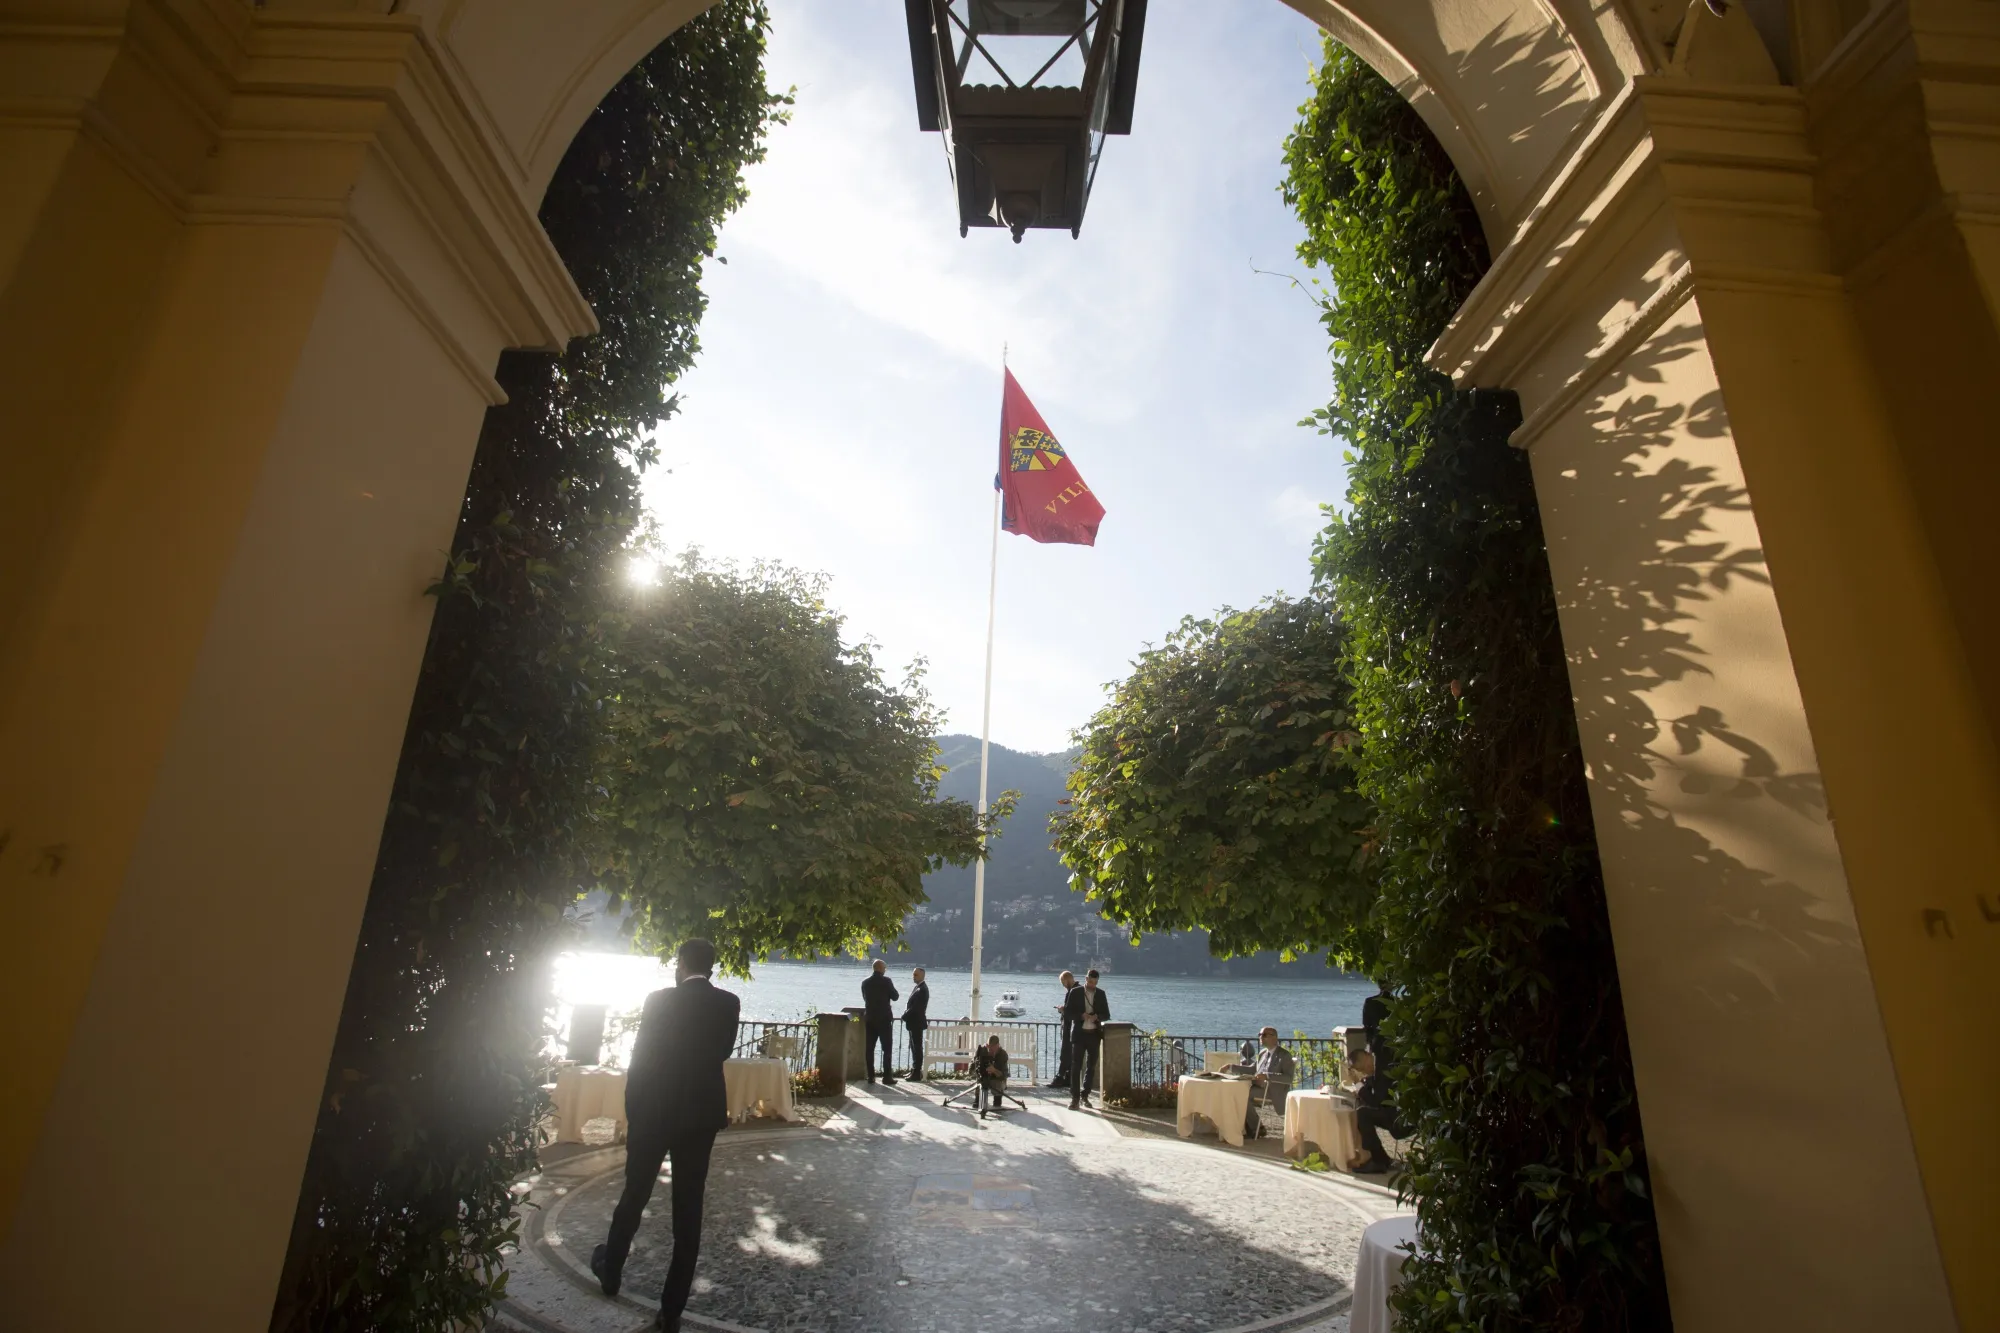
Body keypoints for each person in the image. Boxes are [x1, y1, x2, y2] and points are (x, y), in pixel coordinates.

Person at [591, 938, 739, 1333]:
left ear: (680, 963)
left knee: (634, 1194)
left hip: (654, 1113)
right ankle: (672, 1307)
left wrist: (634, 1114)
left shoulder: (658, 1001)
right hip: (700, 1118)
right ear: (711, 967)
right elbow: (723, 1051)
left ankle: (611, 1270)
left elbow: (639, 1061)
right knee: (688, 1209)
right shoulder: (728, 1003)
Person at [1234, 1026, 1295, 1140]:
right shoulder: (1263, 1053)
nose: (1261, 1037)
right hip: (1258, 1087)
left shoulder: (1284, 1055)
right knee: (1237, 1093)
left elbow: (1288, 1078)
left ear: (1275, 1038)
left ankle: (1256, 1128)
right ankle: (1247, 1127)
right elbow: (1253, 1069)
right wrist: (1231, 1067)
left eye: (1264, 1035)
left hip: (1274, 1091)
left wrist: (1267, 1076)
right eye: (1260, 1035)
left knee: (1243, 1096)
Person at [1348, 1048, 1401, 1175]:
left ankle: (1378, 1161)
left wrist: (1357, 1083)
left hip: (1400, 1115)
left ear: (1366, 1057)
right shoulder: (1376, 1069)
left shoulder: (1382, 1069)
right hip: (1391, 1111)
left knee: (1363, 1114)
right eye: (1360, 1071)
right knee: (1363, 1112)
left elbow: (1376, 1102)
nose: (1365, 1072)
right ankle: (1382, 1159)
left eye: (1362, 1069)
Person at [1066, 968, 1110, 1110]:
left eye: (1095, 982)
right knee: (1075, 1067)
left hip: (1094, 1035)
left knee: (1091, 1067)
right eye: (1091, 981)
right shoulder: (1075, 992)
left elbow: (1107, 1014)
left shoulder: (1101, 994)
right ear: (1086, 979)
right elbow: (1068, 1012)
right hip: (1079, 1034)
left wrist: (1097, 1017)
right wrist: (1081, 1016)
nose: (1092, 985)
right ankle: (1075, 1098)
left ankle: (1085, 1095)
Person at [860, 959, 898, 1085]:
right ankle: (887, 1077)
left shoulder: (865, 982)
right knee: (886, 1049)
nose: (885, 970)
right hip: (884, 1019)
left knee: (869, 1048)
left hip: (870, 1018)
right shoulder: (887, 981)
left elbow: (865, 998)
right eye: (885, 968)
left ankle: (871, 1076)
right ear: (881, 969)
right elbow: (895, 996)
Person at [1049, 970, 1077, 1088]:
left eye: (1062, 982)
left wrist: (1063, 1009)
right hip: (1070, 1028)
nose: (1063, 985)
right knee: (1068, 1055)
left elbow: (1072, 1010)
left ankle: (1060, 1078)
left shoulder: (1073, 992)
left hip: (1069, 1028)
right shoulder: (1076, 990)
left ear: (1067, 980)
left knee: (1065, 1055)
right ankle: (1067, 1078)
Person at [970, 1033, 1009, 1118]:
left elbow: (1004, 1075)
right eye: (988, 1046)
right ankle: (978, 1098)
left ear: (998, 1045)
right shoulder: (981, 1050)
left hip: (996, 1078)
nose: (989, 1049)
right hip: (983, 1076)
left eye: (992, 1047)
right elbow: (972, 1067)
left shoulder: (1002, 1054)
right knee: (979, 1080)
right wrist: (975, 1066)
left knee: (997, 1105)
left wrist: (994, 1070)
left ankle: (997, 1098)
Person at [903, 966, 930, 1081]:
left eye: (916, 975)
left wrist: (905, 1015)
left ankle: (917, 1072)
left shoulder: (922, 989)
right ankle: (914, 1070)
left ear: (922, 976)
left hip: (916, 1022)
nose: (913, 977)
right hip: (914, 1022)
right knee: (914, 1047)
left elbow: (915, 1008)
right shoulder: (918, 988)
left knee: (917, 1048)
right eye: (913, 974)